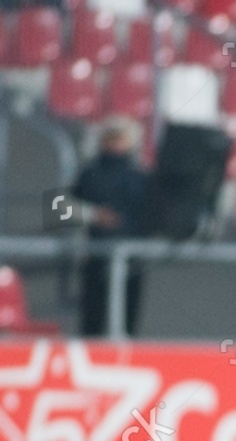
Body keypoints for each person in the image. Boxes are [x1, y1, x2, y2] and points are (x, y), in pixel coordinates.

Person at [71, 117, 150, 337]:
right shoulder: (90, 173)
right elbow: (63, 209)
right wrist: (93, 215)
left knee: (127, 326)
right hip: (97, 257)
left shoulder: (141, 177)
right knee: (92, 325)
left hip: (131, 262)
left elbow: (148, 217)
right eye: (111, 137)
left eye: (120, 138)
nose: (115, 143)